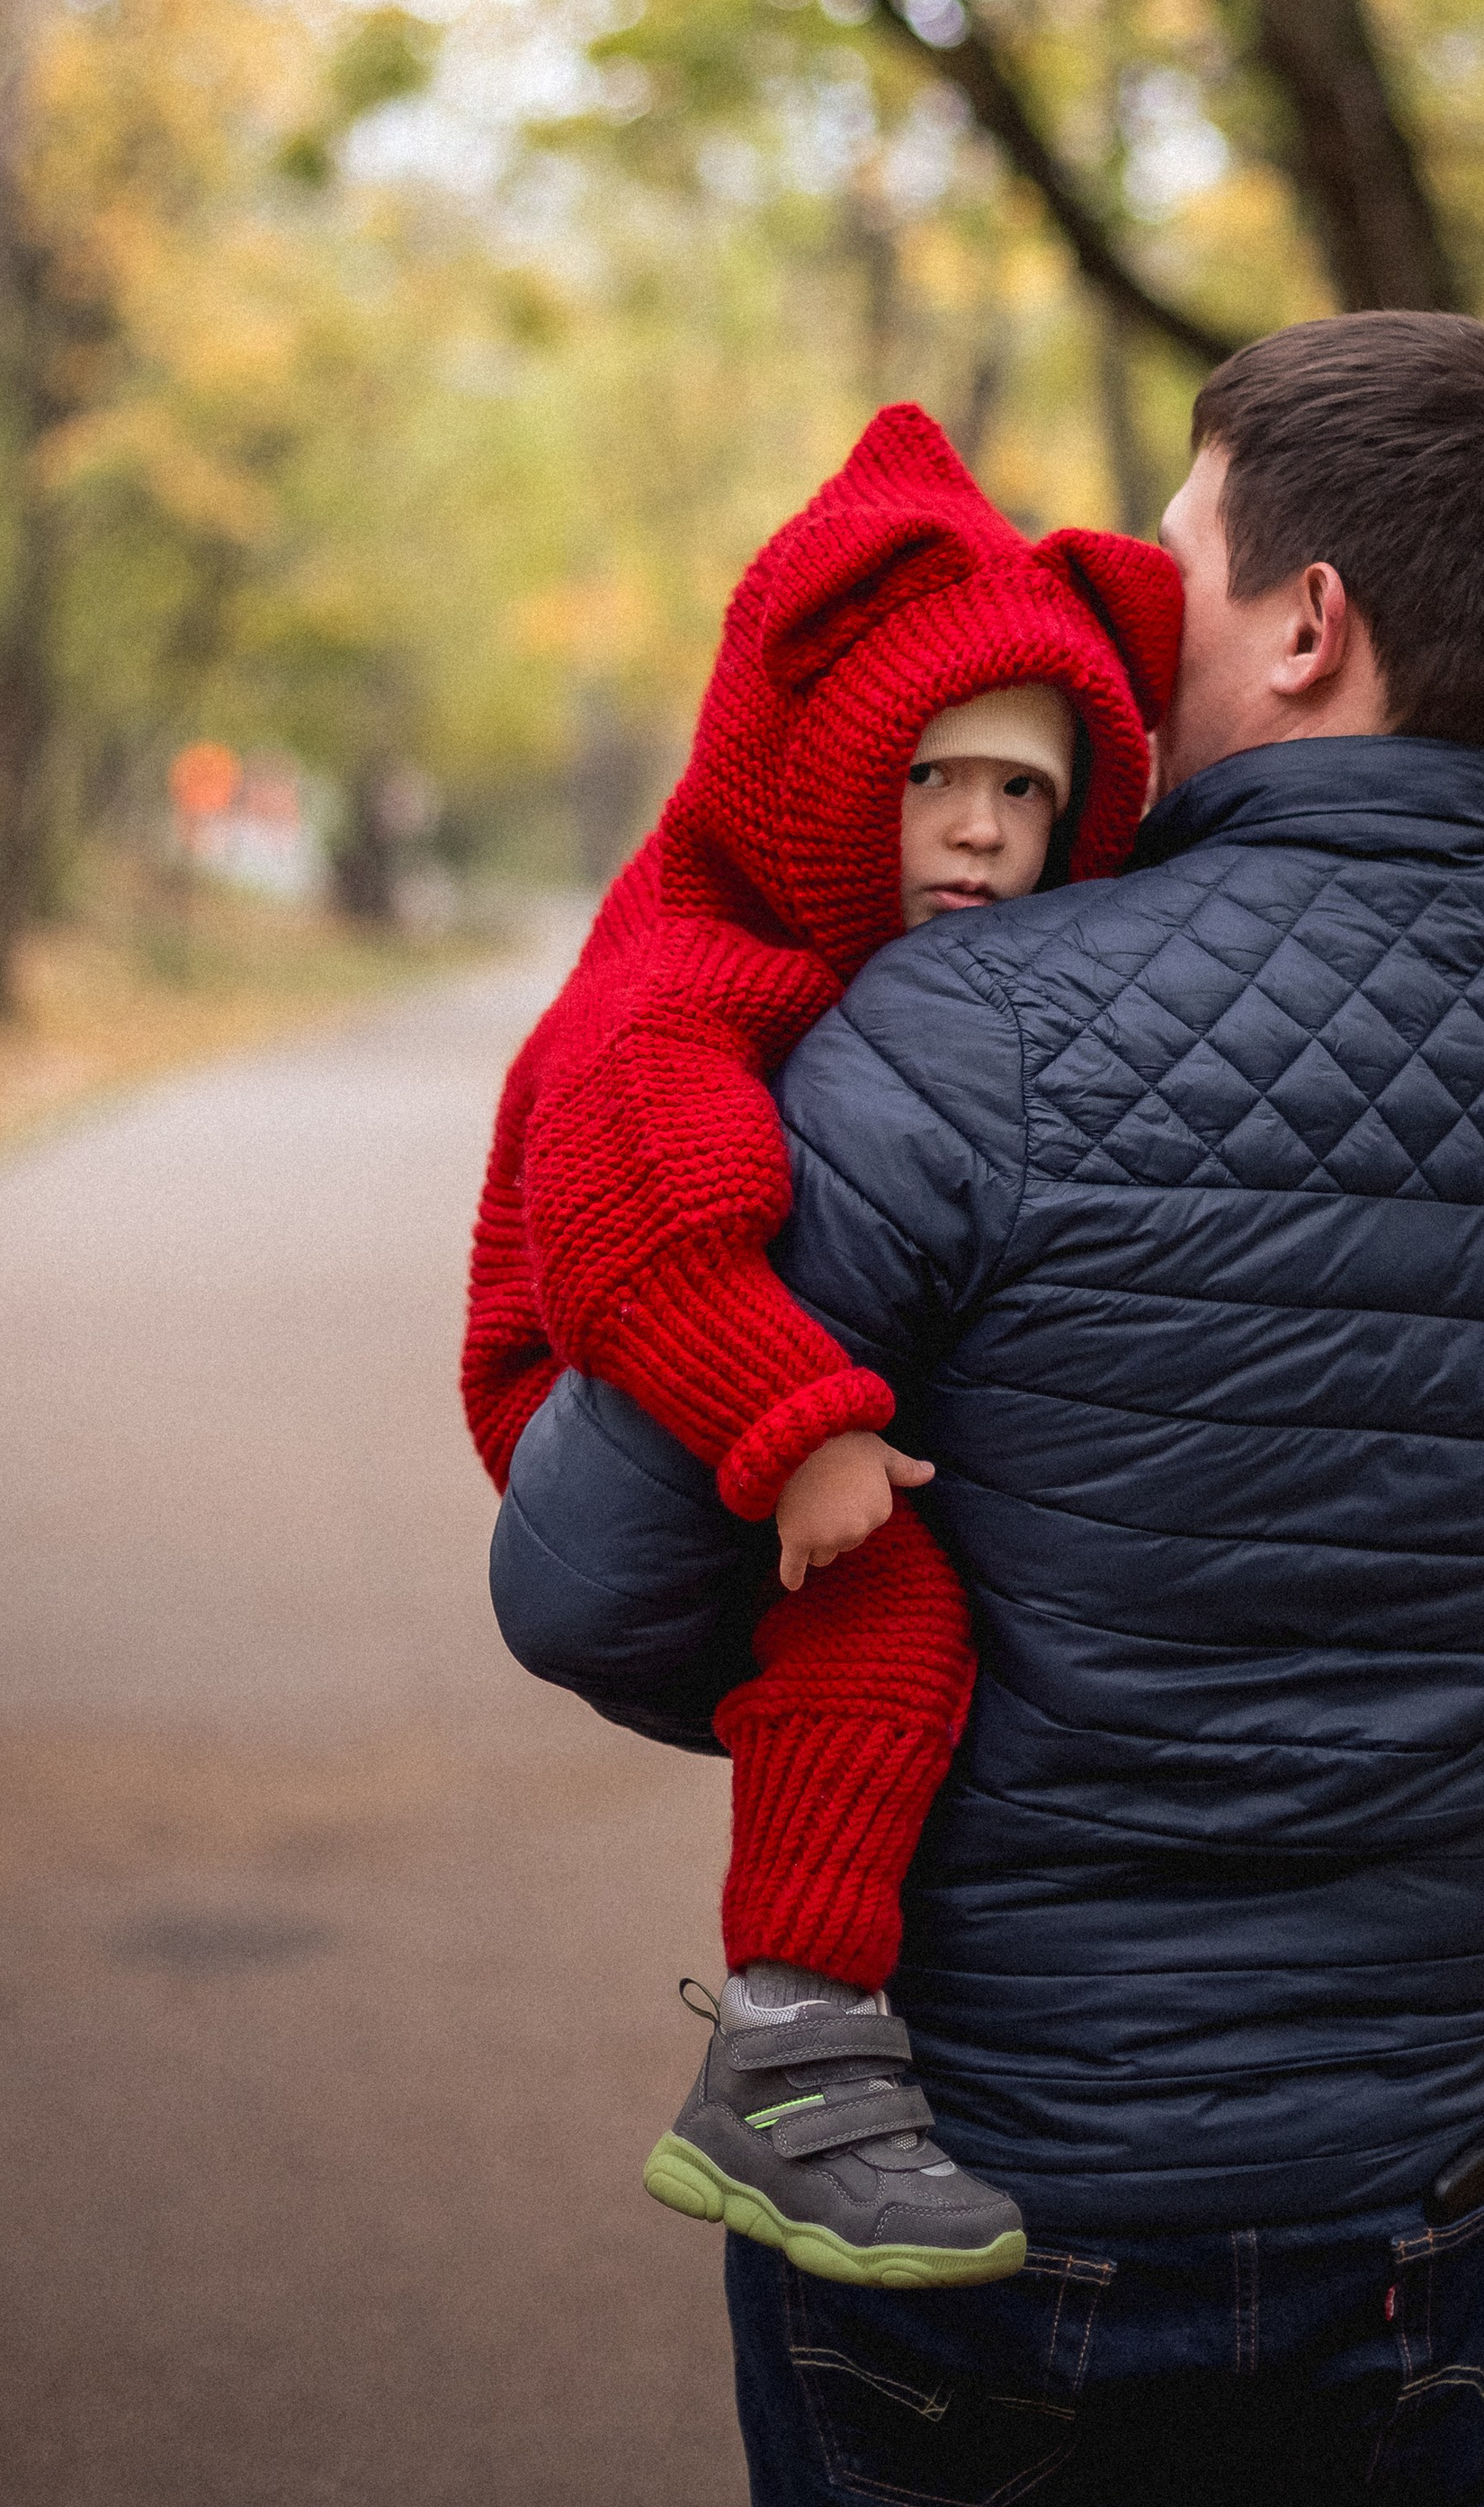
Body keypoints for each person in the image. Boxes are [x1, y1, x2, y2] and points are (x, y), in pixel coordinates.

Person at [492, 311, 1484, 2504]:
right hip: (1426, 2208)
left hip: (983, 2179)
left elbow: (585, 1578)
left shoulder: (956, 1029)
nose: (1126, 591)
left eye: (1177, 544)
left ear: (1304, 624)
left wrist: (876, 1687)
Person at [462, 401, 1181, 2288]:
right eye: (933, 773)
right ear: (812, 766)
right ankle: (787, 2055)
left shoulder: (897, 970)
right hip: (611, 1369)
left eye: (1027, 793)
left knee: (891, 1641)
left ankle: (800, 2038)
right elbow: (639, 1235)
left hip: (770, 1361)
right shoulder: (689, 971)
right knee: (894, 1620)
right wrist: (799, 1430)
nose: (977, 825)